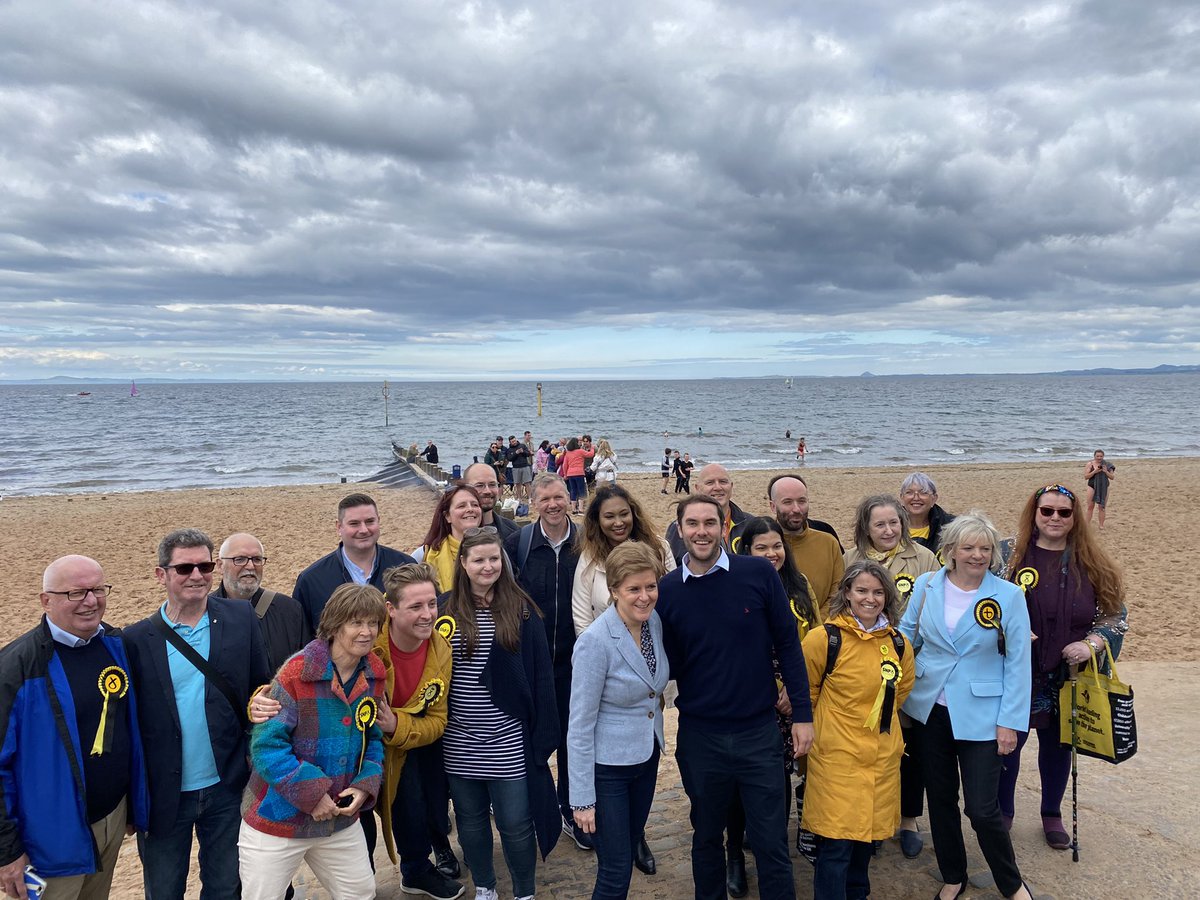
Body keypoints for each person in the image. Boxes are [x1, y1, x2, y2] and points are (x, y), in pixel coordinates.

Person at [656, 495, 814, 900]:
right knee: (707, 838)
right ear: (680, 529)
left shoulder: (758, 573)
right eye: (692, 524)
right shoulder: (667, 590)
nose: (701, 531)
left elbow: (789, 646)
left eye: (710, 522)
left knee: (770, 842)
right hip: (699, 736)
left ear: (724, 527)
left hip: (758, 732)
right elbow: (663, 662)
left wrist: (802, 713)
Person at [124, 529, 272, 900]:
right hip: (164, 793)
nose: (196, 575)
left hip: (227, 784)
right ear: (162, 575)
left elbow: (261, 684)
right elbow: (128, 726)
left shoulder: (240, 617)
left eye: (204, 566)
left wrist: (259, 708)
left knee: (225, 887)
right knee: (164, 889)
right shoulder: (135, 639)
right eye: (184, 567)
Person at [898, 513, 1033, 900]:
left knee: (982, 809)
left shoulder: (1008, 595)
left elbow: (1019, 664)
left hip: (983, 714)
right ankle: (953, 875)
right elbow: (907, 637)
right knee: (940, 801)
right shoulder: (926, 585)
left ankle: (1010, 883)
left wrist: (1009, 723)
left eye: (985, 548)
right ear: (950, 551)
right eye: (968, 547)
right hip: (929, 710)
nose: (977, 555)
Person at [0, 556, 149, 900]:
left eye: (98, 589)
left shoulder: (116, 645)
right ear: (46, 600)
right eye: (76, 593)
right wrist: (7, 853)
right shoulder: (18, 667)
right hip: (48, 843)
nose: (91, 601)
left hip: (111, 820)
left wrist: (132, 807)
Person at [998, 483, 1127, 848]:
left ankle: (1051, 813)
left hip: (1066, 675)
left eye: (1064, 512)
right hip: (1017, 671)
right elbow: (980, 605)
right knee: (1008, 744)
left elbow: (1116, 616)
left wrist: (1091, 644)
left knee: (1058, 745)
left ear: (1074, 518)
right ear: (1034, 513)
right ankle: (1003, 812)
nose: (1055, 518)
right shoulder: (1008, 555)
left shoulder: (1091, 561)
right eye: (1047, 511)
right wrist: (1008, 632)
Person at [238, 583, 387, 900]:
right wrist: (312, 793)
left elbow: (371, 736)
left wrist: (364, 785)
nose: (367, 632)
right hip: (276, 819)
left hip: (338, 822)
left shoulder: (374, 672)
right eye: (356, 623)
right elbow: (266, 749)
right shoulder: (296, 673)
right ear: (334, 625)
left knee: (361, 892)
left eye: (373, 623)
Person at [439, 529, 560, 900]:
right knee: (471, 823)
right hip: (459, 738)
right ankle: (486, 887)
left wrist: (544, 736)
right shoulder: (444, 609)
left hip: (508, 738)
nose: (487, 566)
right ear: (463, 564)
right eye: (478, 559)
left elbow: (542, 677)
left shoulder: (522, 609)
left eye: (494, 559)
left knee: (516, 824)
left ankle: (525, 891)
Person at [801, 560, 915, 900]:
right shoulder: (824, 638)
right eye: (862, 590)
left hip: (879, 758)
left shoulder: (897, 643)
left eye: (878, 592)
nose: (870, 598)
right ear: (847, 593)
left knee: (865, 843)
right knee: (835, 846)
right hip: (837, 759)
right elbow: (806, 691)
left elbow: (902, 688)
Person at [568, 543, 670, 899]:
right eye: (634, 589)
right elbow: (579, 725)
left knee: (625, 854)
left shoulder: (652, 621)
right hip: (607, 770)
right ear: (613, 591)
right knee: (614, 870)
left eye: (651, 587)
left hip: (645, 758)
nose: (645, 597)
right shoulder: (595, 642)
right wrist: (581, 800)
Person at [842, 495, 940, 857]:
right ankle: (870, 819)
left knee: (908, 746)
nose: (888, 530)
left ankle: (909, 818)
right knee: (871, 746)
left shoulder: (925, 559)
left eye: (894, 523)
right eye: (879, 524)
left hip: (908, 666)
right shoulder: (849, 560)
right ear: (865, 527)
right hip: (861, 670)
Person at [728, 517, 820, 893]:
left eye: (776, 546)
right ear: (745, 551)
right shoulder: (736, 586)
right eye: (760, 548)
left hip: (793, 700)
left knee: (779, 781)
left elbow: (816, 636)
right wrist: (775, 687)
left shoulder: (800, 586)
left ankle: (774, 847)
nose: (771, 554)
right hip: (754, 698)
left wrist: (798, 693)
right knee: (738, 785)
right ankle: (734, 853)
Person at [504, 473, 591, 852]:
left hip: (578, 663)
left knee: (575, 740)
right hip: (533, 666)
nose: (553, 505)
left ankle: (573, 810)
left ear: (569, 499)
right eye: (545, 500)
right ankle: (535, 811)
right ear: (534, 503)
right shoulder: (517, 544)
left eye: (559, 497)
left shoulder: (588, 541)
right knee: (533, 741)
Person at [292, 493, 417, 637]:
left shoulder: (406, 566)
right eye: (354, 523)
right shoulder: (311, 580)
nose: (364, 530)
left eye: (370, 521)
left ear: (379, 521)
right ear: (339, 527)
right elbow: (302, 638)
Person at [572, 483, 676, 636]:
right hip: (607, 650)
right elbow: (582, 618)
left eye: (624, 514)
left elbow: (673, 599)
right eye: (609, 517)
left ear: (633, 514)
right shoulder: (590, 558)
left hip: (656, 644)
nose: (619, 522)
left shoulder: (659, 548)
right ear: (597, 520)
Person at [213, 532, 306, 673]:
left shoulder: (290, 610)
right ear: (220, 565)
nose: (250, 566)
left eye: (257, 559)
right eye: (239, 559)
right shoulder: (203, 612)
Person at [769, 474, 845, 616]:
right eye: (788, 502)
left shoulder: (829, 543)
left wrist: (815, 627)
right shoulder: (761, 547)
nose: (796, 509)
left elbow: (838, 594)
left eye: (802, 501)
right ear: (773, 506)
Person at [665, 464, 751, 564]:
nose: (718, 487)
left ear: (731, 486)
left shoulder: (749, 523)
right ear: (697, 488)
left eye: (723, 482)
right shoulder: (679, 528)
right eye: (710, 483)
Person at [411, 484, 484, 592]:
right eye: (461, 506)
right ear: (447, 516)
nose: (470, 509)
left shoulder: (495, 551)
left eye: (475, 505)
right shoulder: (423, 555)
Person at [899, 473, 955, 553]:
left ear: (934, 498)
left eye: (923, 493)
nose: (916, 498)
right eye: (909, 492)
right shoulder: (891, 526)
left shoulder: (950, 525)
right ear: (902, 497)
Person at [463, 463, 520, 541]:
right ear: (465, 488)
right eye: (479, 485)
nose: (487, 491)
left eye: (492, 485)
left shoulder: (514, 532)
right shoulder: (451, 532)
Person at [558, 438, 593, 514]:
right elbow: (590, 454)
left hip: (570, 473)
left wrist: (565, 474)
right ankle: (580, 509)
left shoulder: (568, 453)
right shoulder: (580, 451)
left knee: (573, 491)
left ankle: (573, 509)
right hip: (579, 473)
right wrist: (592, 448)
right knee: (581, 490)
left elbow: (565, 465)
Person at [1084, 450, 1116, 528]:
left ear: (1103, 456)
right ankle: (1087, 525)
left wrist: (1106, 471)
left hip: (1104, 487)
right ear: (1094, 456)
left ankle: (1101, 525)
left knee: (1102, 507)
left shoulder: (1108, 465)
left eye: (1101, 456)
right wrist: (1095, 471)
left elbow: (1112, 477)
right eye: (1097, 456)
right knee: (1090, 506)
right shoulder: (1090, 464)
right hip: (1092, 486)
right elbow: (1086, 477)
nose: (1099, 458)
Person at [508, 436, 533, 502]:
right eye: (512, 441)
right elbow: (510, 458)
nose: (514, 442)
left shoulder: (522, 445)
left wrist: (523, 452)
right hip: (516, 468)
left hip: (525, 466)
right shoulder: (509, 449)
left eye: (515, 440)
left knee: (527, 482)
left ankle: (530, 498)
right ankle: (519, 498)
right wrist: (516, 453)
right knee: (517, 483)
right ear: (510, 442)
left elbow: (528, 454)